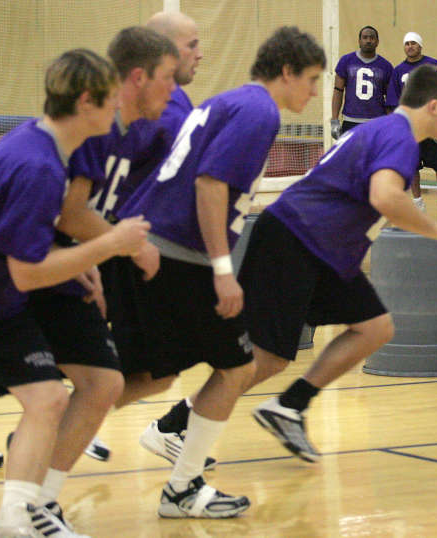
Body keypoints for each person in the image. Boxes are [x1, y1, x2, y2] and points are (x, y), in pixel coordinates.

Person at [0, 18, 199, 470]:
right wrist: (122, 246)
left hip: (98, 241)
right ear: (148, 64)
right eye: (189, 46)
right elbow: (69, 212)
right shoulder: (99, 126)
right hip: (67, 245)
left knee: (105, 371)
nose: (198, 54)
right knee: (18, 358)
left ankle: (43, 460)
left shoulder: (154, 111)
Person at [0, 48, 150, 537]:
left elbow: (26, 247)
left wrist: (78, 267)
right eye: (109, 103)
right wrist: (109, 244)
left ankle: (16, 523)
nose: (115, 114)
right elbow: (25, 273)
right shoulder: (38, 167)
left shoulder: (39, 146)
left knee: (47, 399)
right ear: (87, 101)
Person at [116, 26, 325, 518]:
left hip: (161, 246)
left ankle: (58, 424)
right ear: (287, 71)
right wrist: (222, 270)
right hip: (180, 254)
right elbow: (211, 185)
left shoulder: (229, 101)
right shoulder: (258, 112)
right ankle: (182, 488)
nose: (315, 93)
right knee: (236, 368)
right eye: (311, 79)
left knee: (146, 378)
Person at [244, 64, 437, 462]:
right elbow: (385, 198)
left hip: (319, 247)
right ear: (433, 106)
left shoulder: (382, 130)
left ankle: (290, 405)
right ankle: (176, 424)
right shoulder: (399, 137)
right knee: (268, 357)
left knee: (374, 327)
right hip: (294, 237)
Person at [386, 31, 437, 222]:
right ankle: (418, 204)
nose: (410, 46)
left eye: (413, 43)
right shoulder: (398, 71)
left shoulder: (433, 65)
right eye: (407, 43)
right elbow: (393, 102)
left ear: (420, 46)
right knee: (412, 167)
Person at [332, 26, 392, 138]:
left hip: (377, 121)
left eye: (372, 38)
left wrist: (391, 123)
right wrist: (334, 119)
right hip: (351, 121)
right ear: (359, 41)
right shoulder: (346, 61)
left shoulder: (386, 66)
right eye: (365, 37)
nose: (368, 41)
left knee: (375, 155)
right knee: (352, 155)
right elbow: (338, 91)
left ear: (377, 42)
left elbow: (389, 99)